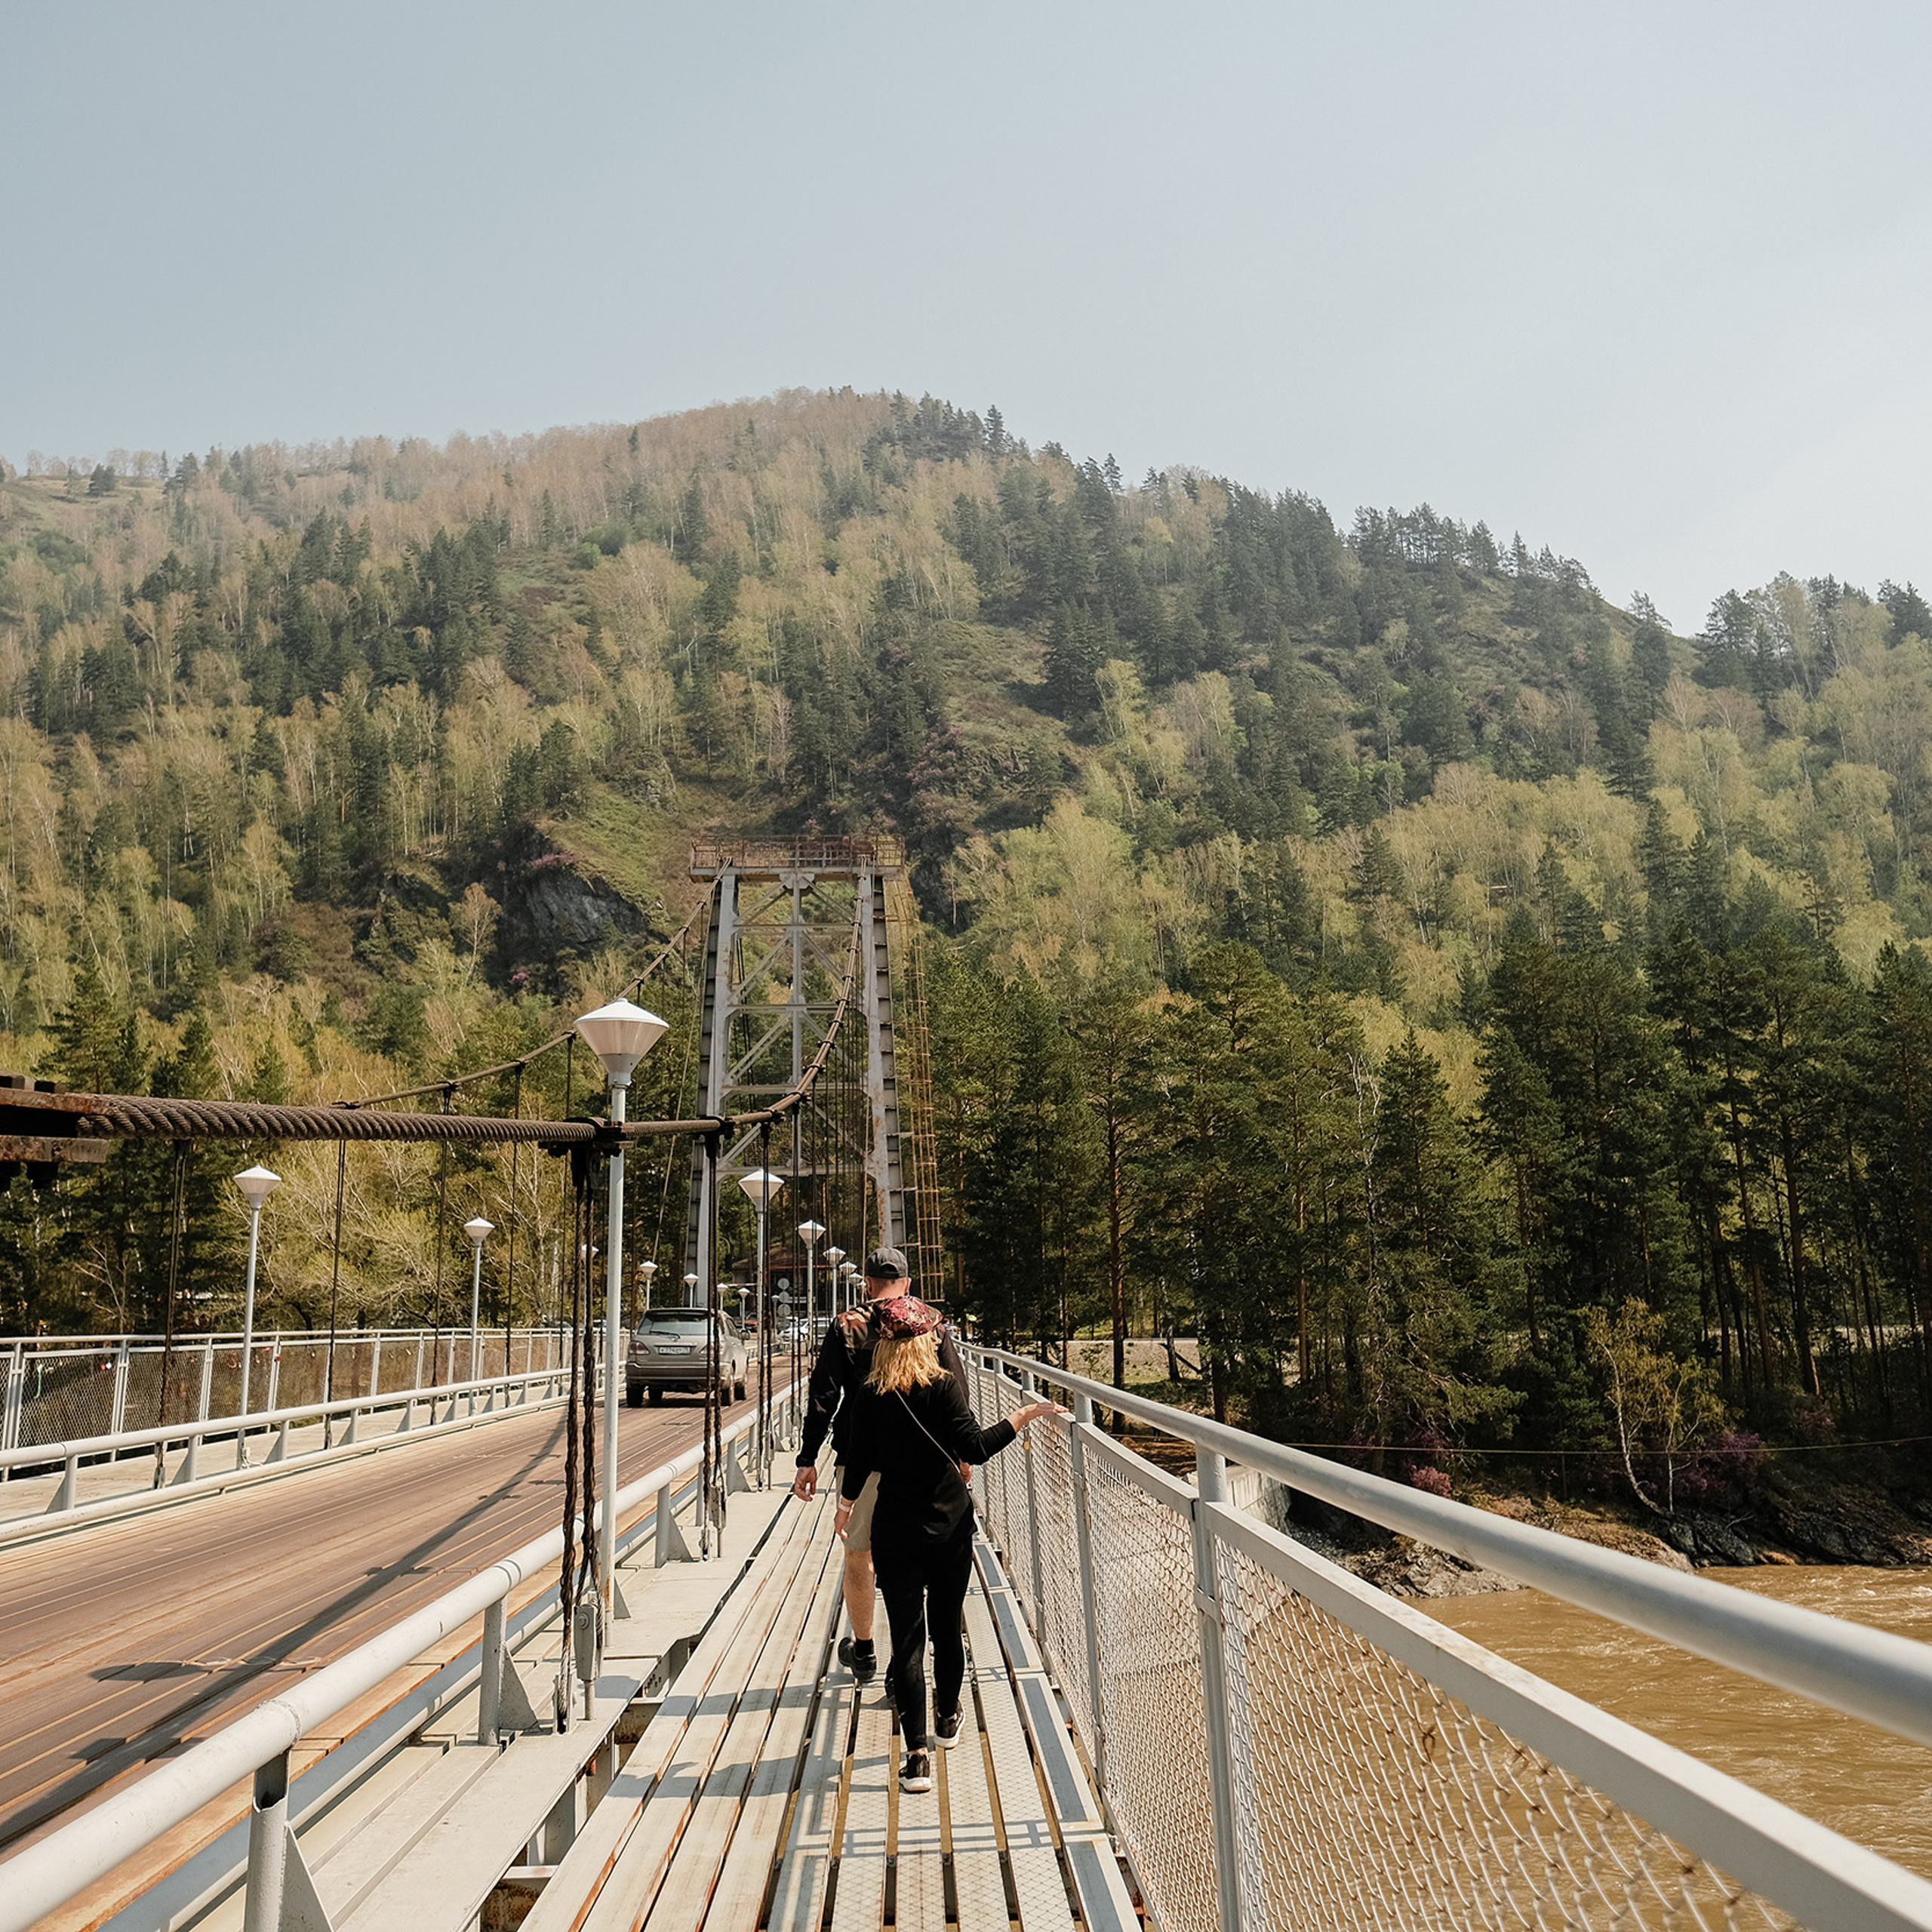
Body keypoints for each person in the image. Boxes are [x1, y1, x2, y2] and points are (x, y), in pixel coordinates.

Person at [835, 1294, 1061, 1795]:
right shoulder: (942, 1387)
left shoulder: (870, 1394)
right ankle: (947, 1717)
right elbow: (975, 1448)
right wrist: (1022, 1416)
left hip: (894, 1529)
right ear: (925, 1339)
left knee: (907, 1640)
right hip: (948, 1529)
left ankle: (916, 1758)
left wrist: (847, 1506)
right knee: (945, 1627)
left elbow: (859, 1458)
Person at [792, 1245, 969, 1684]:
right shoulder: (930, 1324)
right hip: (928, 1463)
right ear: (907, 1283)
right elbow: (955, 1387)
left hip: (862, 1459)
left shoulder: (847, 1325)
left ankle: (866, 1651)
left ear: (867, 1283)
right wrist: (963, 1453)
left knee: (860, 1555)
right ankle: (916, 1660)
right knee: (928, 1557)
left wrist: (807, 1458)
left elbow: (823, 1397)